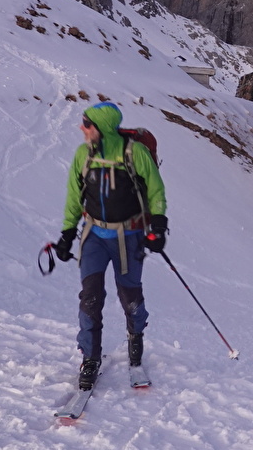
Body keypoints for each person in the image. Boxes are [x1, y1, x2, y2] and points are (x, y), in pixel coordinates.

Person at [52, 103, 167, 390]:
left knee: (130, 295)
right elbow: (73, 196)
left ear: (101, 129)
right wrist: (67, 233)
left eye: (87, 124)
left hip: (130, 236)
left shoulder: (135, 153)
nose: (82, 128)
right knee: (90, 297)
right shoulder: (83, 155)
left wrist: (159, 227)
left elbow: (156, 190)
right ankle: (90, 357)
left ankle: (135, 338)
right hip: (93, 235)